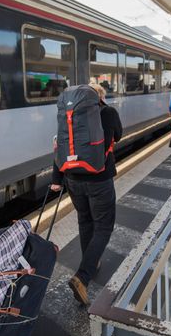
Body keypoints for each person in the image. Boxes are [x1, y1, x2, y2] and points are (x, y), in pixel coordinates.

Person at [50, 83, 122, 306]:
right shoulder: (108, 112)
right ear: (100, 97)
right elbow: (117, 136)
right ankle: (83, 276)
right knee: (103, 226)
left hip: (73, 179)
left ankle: (91, 261)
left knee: (85, 220)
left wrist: (56, 179)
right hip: (99, 179)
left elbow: (60, 147)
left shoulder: (69, 117)